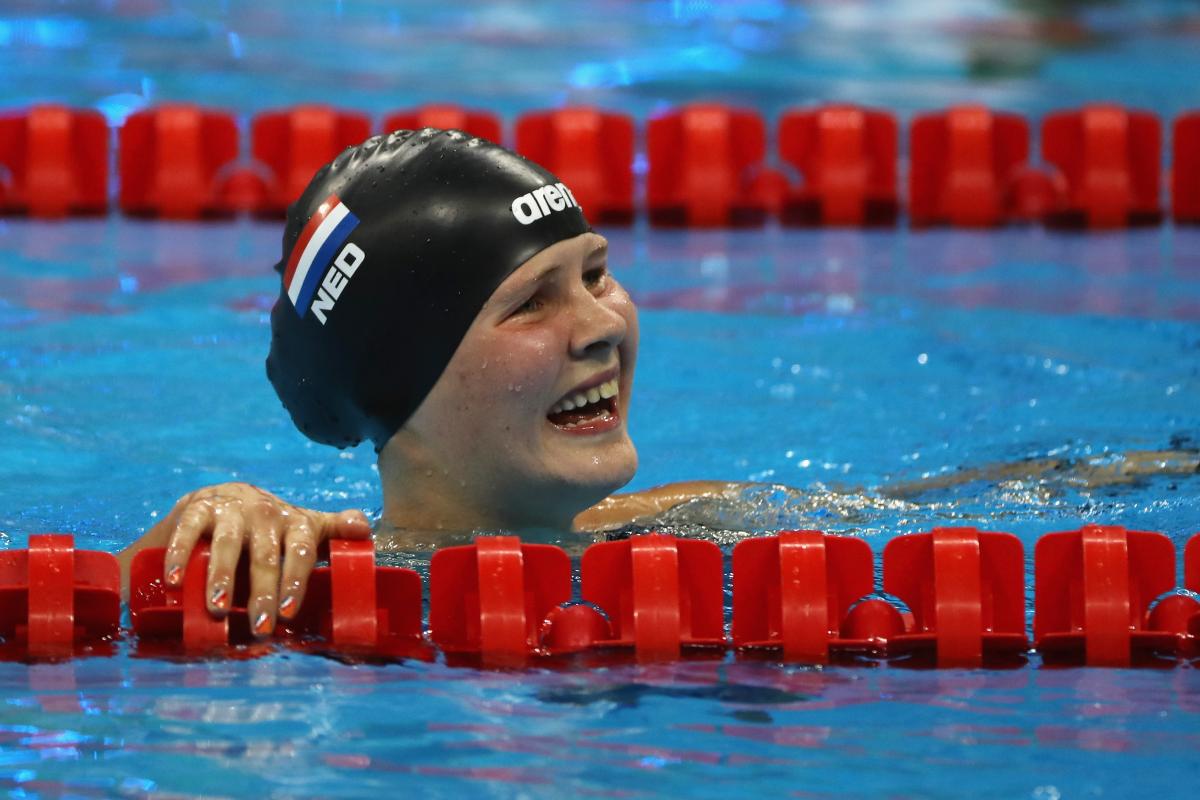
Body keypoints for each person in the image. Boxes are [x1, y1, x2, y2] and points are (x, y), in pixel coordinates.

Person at [118, 128, 1200, 638]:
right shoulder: (315, 585)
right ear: (408, 379)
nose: (604, 326)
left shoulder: (695, 528)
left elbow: (985, 502)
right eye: (533, 300)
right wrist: (220, 522)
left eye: (596, 273)